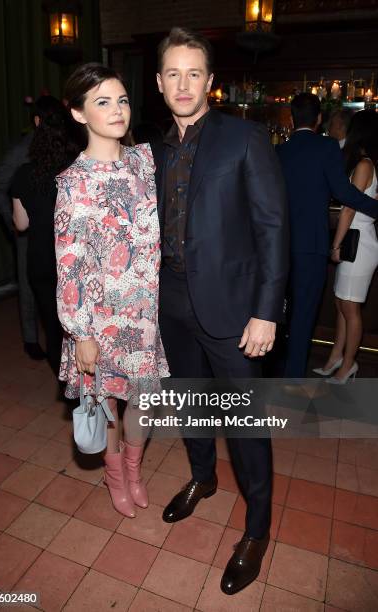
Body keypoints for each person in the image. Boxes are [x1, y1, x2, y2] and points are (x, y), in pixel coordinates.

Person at [153, 27, 289, 595]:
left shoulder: (244, 138)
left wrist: (266, 310)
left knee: (246, 424)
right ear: (159, 83)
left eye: (194, 73)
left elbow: (272, 227)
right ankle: (203, 480)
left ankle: (256, 529)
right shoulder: (151, 148)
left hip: (234, 308)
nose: (183, 84)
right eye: (172, 74)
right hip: (171, 300)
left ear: (211, 81)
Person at [56, 63, 169, 518]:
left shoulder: (144, 160)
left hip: (144, 312)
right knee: (106, 407)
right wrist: (79, 332)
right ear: (79, 113)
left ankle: (135, 470)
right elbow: (69, 264)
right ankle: (115, 474)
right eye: (102, 101)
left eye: (122, 99)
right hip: (98, 319)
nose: (117, 110)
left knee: (143, 401)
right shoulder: (72, 182)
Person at [276, 93, 378, 378]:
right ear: (319, 119)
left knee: (280, 311)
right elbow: (344, 194)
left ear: (292, 118)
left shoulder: (279, 151)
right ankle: (292, 377)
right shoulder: (327, 146)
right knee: (304, 313)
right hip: (312, 245)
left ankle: (279, 368)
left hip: (280, 246)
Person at [11, 96, 80, 377]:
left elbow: (22, 224)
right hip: (74, 261)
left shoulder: (25, 173)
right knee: (80, 329)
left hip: (42, 261)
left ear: (37, 125)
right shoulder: (78, 168)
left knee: (53, 329)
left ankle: (66, 387)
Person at [315, 110, 378, 383]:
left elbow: (349, 210)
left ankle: (348, 364)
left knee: (350, 309)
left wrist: (336, 244)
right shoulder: (364, 162)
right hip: (357, 240)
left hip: (358, 242)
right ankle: (336, 357)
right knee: (342, 304)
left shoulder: (364, 164)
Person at [0, 131, 46, 361]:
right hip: (25, 228)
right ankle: (31, 340)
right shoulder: (20, 149)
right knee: (27, 285)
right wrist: (12, 223)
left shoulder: (66, 144)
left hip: (54, 228)